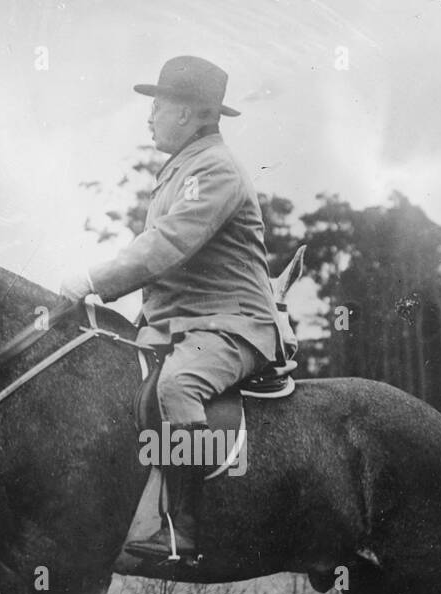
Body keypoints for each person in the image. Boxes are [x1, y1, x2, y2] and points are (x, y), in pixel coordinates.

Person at [58, 56, 279, 562]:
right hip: (179, 324)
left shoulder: (216, 170)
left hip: (230, 324)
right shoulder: (184, 165)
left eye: (157, 105)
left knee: (179, 386)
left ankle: (190, 528)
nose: (150, 114)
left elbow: (166, 245)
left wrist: (92, 280)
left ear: (187, 113)